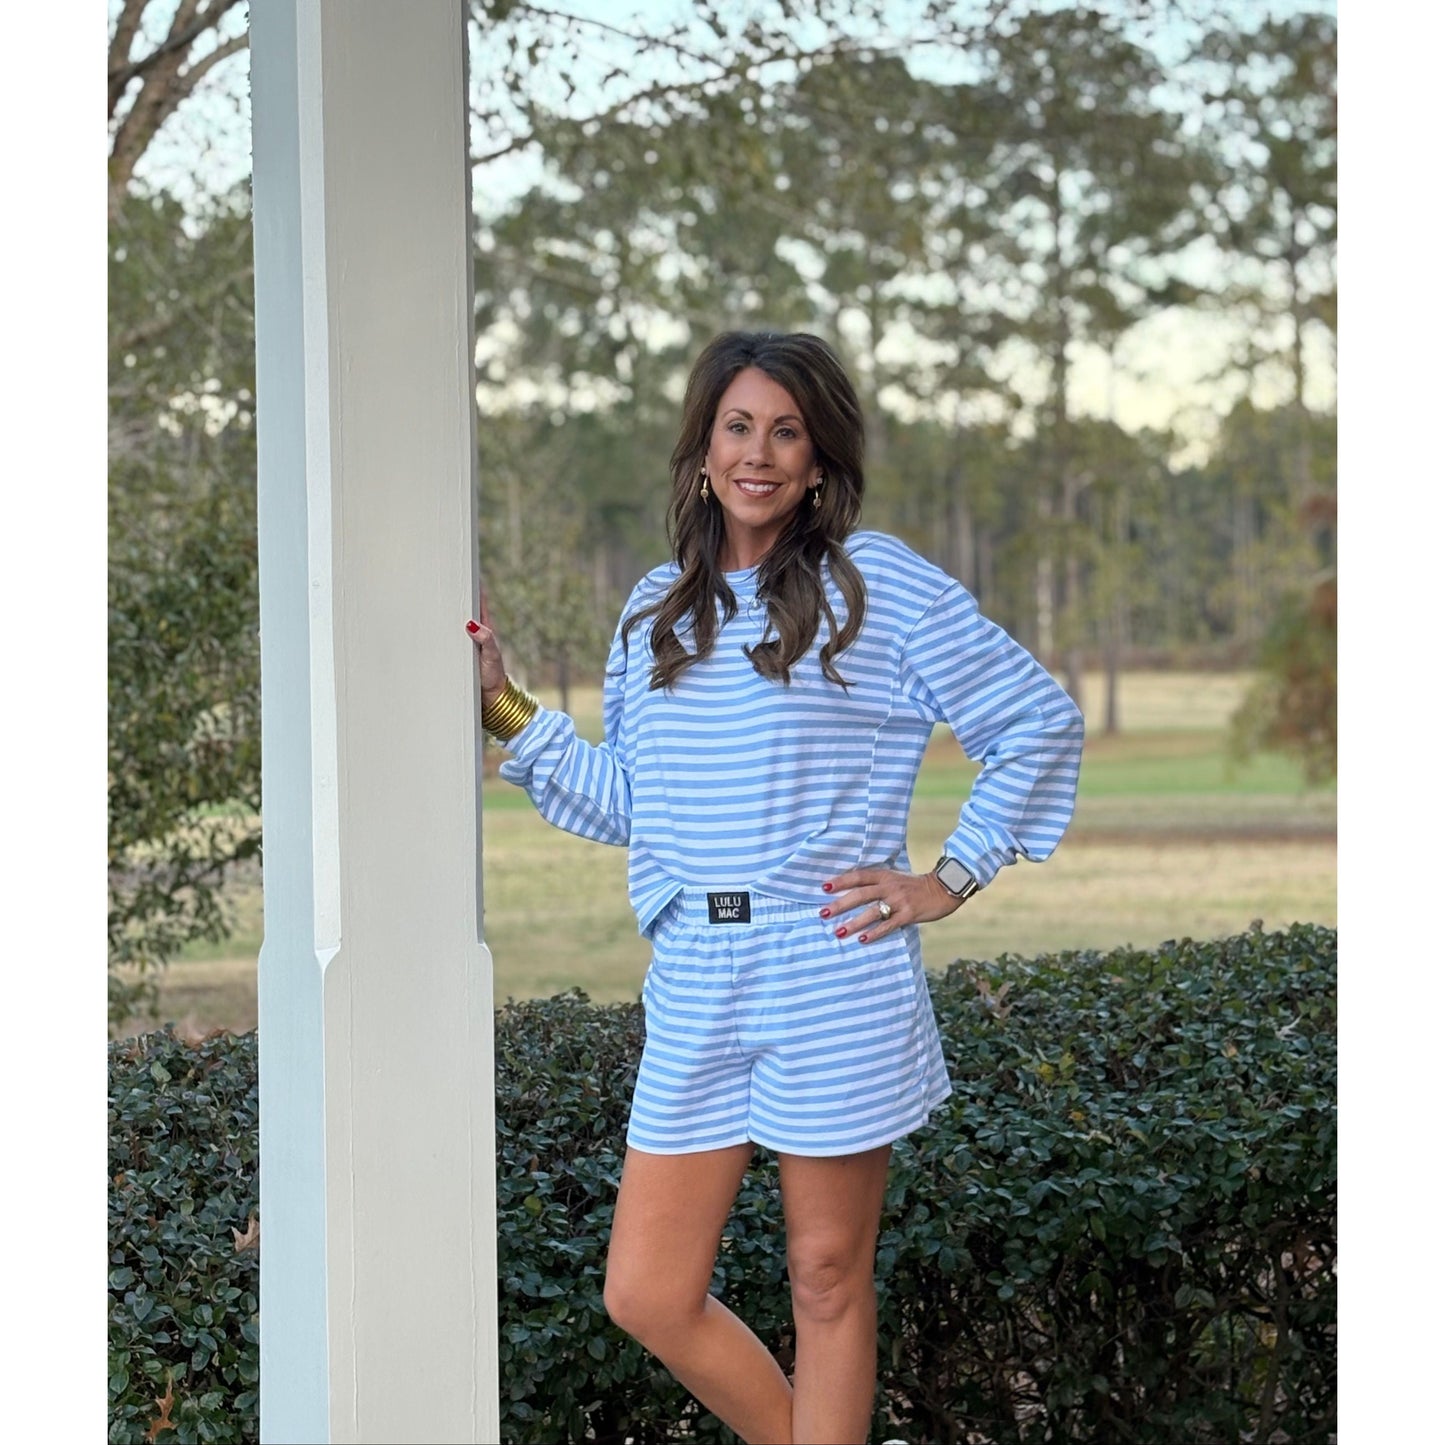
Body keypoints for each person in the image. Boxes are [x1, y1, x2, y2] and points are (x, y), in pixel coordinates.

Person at [465, 330, 1084, 1445]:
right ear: (703, 448)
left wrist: (944, 878)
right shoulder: (656, 609)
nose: (759, 452)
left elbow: (1032, 718)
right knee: (646, 1290)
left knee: (826, 1275)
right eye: (738, 425)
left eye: (785, 430)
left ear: (816, 460)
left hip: (831, 962)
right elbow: (636, 804)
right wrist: (504, 704)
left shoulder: (876, 583)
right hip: (697, 971)